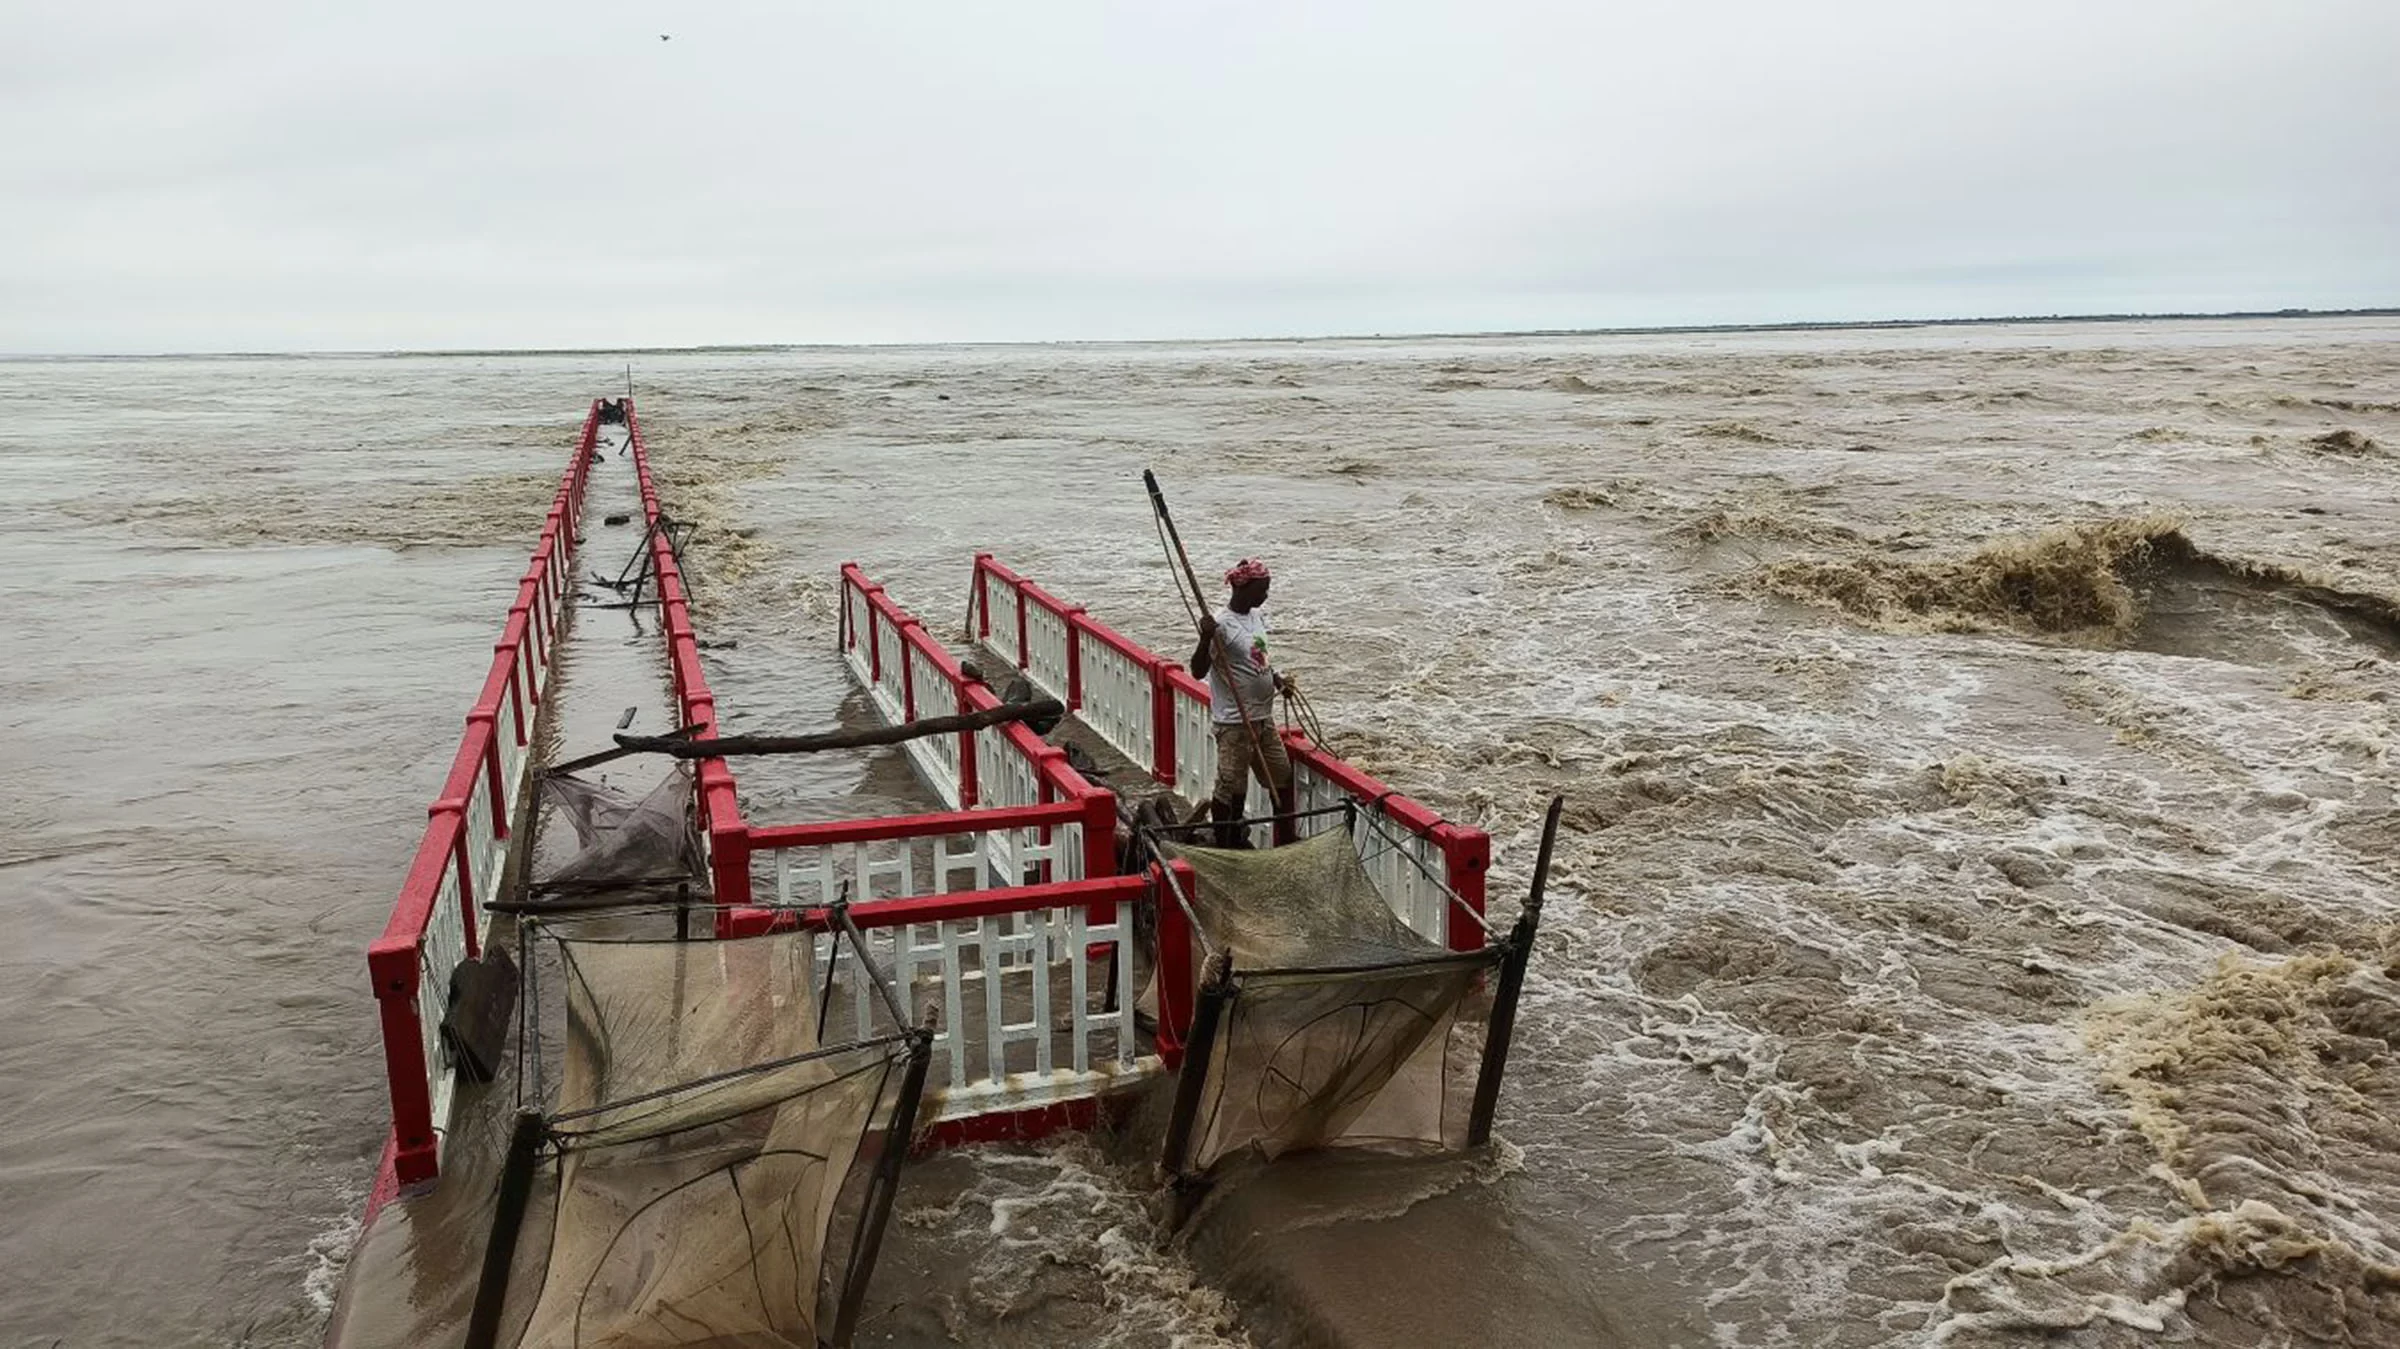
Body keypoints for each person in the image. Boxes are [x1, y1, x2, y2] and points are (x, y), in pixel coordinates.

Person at [1189, 557, 1293, 847]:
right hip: (1234, 724)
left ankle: (1284, 839)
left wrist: (1276, 679)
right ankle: (1226, 844)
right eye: (1262, 589)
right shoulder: (1220, 625)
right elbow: (1197, 670)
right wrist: (1205, 637)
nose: (1266, 595)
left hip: (1263, 718)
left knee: (1282, 777)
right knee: (1232, 789)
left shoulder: (1256, 617)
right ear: (1242, 588)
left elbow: (1259, 660)